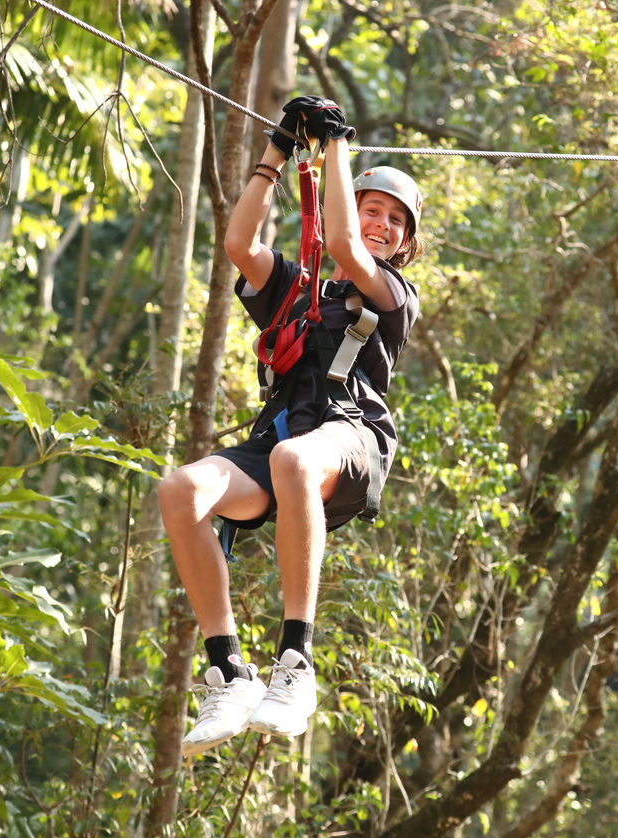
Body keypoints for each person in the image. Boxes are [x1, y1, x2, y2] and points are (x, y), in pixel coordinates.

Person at [157, 96, 423, 758]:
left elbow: (341, 242)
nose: (381, 224)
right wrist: (277, 152)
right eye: (372, 209)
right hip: (278, 439)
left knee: (296, 462)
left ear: (407, 245)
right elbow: (239, 245)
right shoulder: (300, 288)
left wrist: (336, 144)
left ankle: (295, 663)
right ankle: (227, 670)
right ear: (350, 204)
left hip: (349, 435)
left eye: (396, 220)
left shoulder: (389, 296)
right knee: (180, 490)